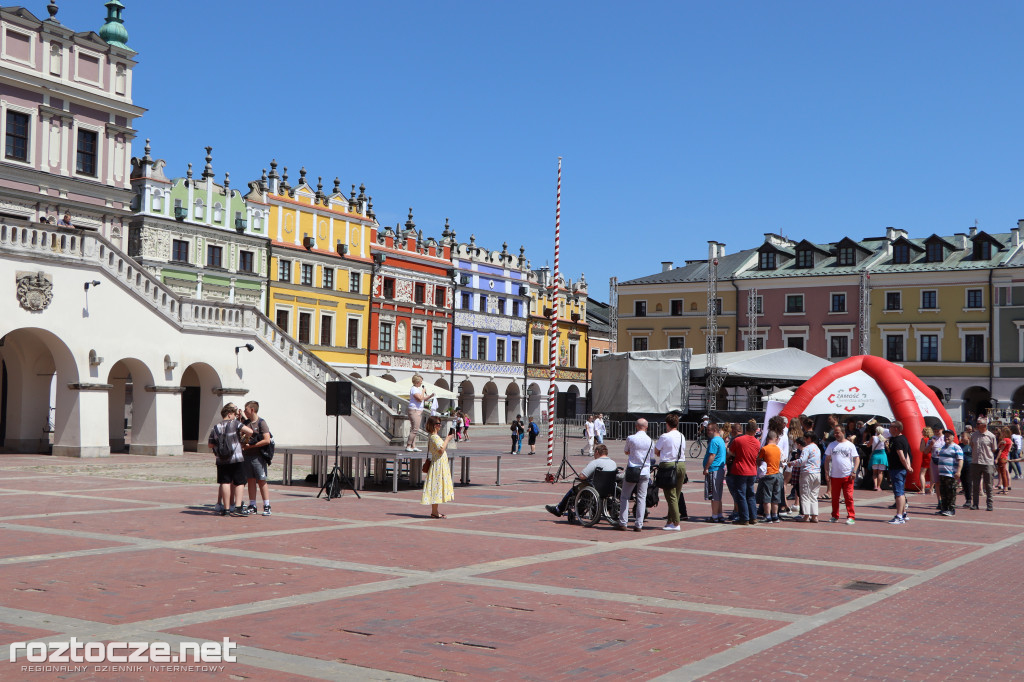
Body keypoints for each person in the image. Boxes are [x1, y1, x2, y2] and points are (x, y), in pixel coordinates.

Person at [546, 443, 617, 518]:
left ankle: (559, 509)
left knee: (575, 490)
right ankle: (579, 511)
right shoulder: (613, 463)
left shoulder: (595, 462)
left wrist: (580, 476)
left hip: (596, 488)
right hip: (610, 489)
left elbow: (582, 476)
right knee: (586, 493)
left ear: (597, 452)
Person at [208, 403, 254, 517]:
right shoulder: (235, 423)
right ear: (229, 414)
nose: (234, 416)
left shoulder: (216, 427)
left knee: (225, 482)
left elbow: (210, 444)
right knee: (239, 482)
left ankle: (226, 509)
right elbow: (250, 432)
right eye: (233, 414)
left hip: (221, 459)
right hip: (236, 458)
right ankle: (238, 507)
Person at [618, 418, 653, 532]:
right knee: (641, 498)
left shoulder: (631, 438)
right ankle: (639, 524)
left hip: (633, 469)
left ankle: (623, 522)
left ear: (636, 426)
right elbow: (651, 456)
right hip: (645, 471)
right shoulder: (650, 440)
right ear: (646, 427)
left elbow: (626, 451)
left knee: (625, 496)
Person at [654, 412, 687, 530]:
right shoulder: (682, 436)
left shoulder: (665, 436)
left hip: (668, 465)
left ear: (667, 424)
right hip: (681, 464)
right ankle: (670, 521)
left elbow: (656, 451)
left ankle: (676, 523)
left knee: (670, 495)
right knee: (676, 495)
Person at [241, 401, 273, 516]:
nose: (245, 411)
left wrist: (252, 445)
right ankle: (252, 504)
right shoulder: (246, 422)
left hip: (258, 457)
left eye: (246, 409)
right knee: (250, 479)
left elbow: (267, 439)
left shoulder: (261, 423)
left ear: (252, 410)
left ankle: (267, 505)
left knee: (261, 480)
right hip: (247, 455)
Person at [727, 420, 760, 525]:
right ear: (755, 431)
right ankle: (753, 517)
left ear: (746, 429)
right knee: (750, 494)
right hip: (752, 470)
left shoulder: (739, 440)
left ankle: (744, 518)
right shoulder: (757, 442)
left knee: (741, 494)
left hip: (740, 469)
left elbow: (730, 452)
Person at [421, 415, 455, 518]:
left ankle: (435, 511)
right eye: (438, 424)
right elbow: (441, 450)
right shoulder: (434, 437)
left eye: (440, 424)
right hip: (438, 465)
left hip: (440, 464)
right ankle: (434, 512)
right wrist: (448, 439)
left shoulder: (434, 436)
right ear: (433, 425)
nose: (440, 426)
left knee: (437, 487)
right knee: (436, 486)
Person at [826, 426, 859, 524]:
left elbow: (856, 458)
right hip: (835, 475)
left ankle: (851, 516)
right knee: (835, 497)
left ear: (843, 432)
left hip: (847, 475)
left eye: (838, 432)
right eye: (835, 433)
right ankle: (835, 516)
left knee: (848, 497)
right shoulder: (831, 445)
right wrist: (827, 473)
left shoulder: (850, 445)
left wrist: (854, 471)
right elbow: (827, 460)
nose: (836, 435)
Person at [969, 417, 998, 511]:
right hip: (975, 462)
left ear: (984, 425)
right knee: (975, 485)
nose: (976, 425)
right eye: (976, 423)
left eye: (978, 424)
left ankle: (989, 504)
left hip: (987, 463)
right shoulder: (973, 435)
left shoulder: (991, 436)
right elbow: (972, 446)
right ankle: (975, 504)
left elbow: (994, 449)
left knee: (989, 485)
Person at [887, 421, 913, 524]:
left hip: (897, 469)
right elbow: (906, 455)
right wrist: (908, 466)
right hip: (898, 469)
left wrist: (907, 466)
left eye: (891, 427)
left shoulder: (898, 440)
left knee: (899, 493)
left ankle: (899, 516)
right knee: (900, 491)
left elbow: (902, 456)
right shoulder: (900, 439)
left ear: (896, 428)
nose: (889, 428)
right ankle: (904, 513)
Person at [934, 429, 964, 516]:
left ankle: (951, 509)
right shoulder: (943, 447)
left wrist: (958, 471)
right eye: (945, 435)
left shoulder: (956, 447)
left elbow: (960, 460)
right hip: (942, 474)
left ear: (953, 437)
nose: (946, 437)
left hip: (951, 474)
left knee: (951, 492)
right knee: (943, 492)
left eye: (948, 436)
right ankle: (944, 508)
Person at [703, 422, 728, 523]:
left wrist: (706, 468)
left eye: (709, 430)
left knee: (714, 495)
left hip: (714, 469)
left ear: (714, 430)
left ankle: (714, 516)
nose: (707, 432)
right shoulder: (721, 440)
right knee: (718, 494)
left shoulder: (714, 441)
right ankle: (719, 514)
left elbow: (712, 455)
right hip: (720, 469)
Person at [757, 430, 784, 523]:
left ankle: (768, 516)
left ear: (768, 438)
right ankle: (775, 516)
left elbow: (759, 460)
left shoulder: (764, 449)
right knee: (776, 497)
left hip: (768, 474)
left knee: (767, 497)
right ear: (775, 438)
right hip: (777, 474)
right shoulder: (778, 448)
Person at [795, 433, 821, 523]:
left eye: (805, 438)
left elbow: (802, 461)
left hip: (807, 473)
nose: (804, 440)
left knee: (805, 494)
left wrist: (792, 463)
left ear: (809, 438)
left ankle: (806, 515)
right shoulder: (817, 448)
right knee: (814, 495)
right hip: (817, 473)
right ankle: (814, 516)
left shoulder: (807, 448)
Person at [406, 375, 434, 453]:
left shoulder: (417, 389)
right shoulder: (414, 389)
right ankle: (408, 445)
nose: (422, 383)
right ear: (417, 382)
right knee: (415, 429)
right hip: (414, 410)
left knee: (414, 429)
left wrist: (430, 396)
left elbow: (422, 399)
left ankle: (413, 446)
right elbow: (420, 399)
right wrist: (423, 391)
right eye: (421, 381)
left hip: (418, 410)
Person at [869, 425, 888, 491]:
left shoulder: (873, 437)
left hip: (875, 455)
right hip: (882, 455)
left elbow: (868, 445)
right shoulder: (884, 438)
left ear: (876, 431)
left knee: (874, 473)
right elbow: (887, 447)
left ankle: (875, 486)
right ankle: (879, 486)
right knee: (880, 472)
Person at [960, 425, 974, 508]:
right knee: (964, 483)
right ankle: (967, 498)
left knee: (968, 482)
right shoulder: (959, 446)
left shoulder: (972, 446)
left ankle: (969, 500)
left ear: (968, 438)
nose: (961, 438)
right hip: (961, 466)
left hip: (970, 465)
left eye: (963, 437)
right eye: (961, 437)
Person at [996, 426, 1012, 494]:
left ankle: (1005, 488)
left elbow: (1000, 450)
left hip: (1002, 457)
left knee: (1003, 473)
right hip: (1005, 456)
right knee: (1005, 472)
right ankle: (1006, 487)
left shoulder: (1005, 440)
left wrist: (996, 458)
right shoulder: (1010, 440)